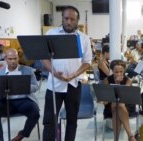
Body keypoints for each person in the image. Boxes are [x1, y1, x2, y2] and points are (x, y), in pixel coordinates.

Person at [42, 5, 92, 141]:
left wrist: (74, 75)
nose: (69, 21)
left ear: (77, 21)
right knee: (49, 120)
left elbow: (87, 62)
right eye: (66, 18)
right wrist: (54, 72)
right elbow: (44, 58)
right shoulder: (51, 34)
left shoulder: (84, 38)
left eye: (72, 19)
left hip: (74, 84)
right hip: (54, 84)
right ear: (62, 18)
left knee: (72, 121)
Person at [0, 48, 40, 141]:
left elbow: (35, 86)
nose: (13, 61)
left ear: (18, 58)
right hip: (6, 101)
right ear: (5, 59)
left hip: (24, 100)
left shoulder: (28, 70)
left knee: (35, 111)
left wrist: (24, 87)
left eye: (15, 58)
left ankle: (22, 134)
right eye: (10, 59)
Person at [103, 59, 136, 141]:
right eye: (116, 72)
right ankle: (131, 136)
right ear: (112, 71)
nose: (119, 74)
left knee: (119, 105)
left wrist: (119, 84)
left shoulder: (128, 80)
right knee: (116, 104)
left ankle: (116, 139)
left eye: (121, 71)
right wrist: (104, 100)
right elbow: (106, 100)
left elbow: (124, 97)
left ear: (124, 70)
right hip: (110, 106)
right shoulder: (107, 80)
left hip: (126, 105)